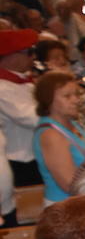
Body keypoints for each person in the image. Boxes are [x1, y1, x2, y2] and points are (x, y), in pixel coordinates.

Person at [33, 70, 85, 205]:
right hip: (64, 206)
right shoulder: (51, 135)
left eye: (76, 94)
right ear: (49, 100)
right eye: (67, 96)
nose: (76, 100)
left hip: (82, 202)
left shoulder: (73, 123)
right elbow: (70, 186)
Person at [0, 27, 41, 186]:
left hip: (35, 155)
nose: (33, 56)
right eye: (29, 52)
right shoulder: (3, 88)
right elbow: (32, 118)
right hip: (21, 160)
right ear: (10, 56)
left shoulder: (24, 81)